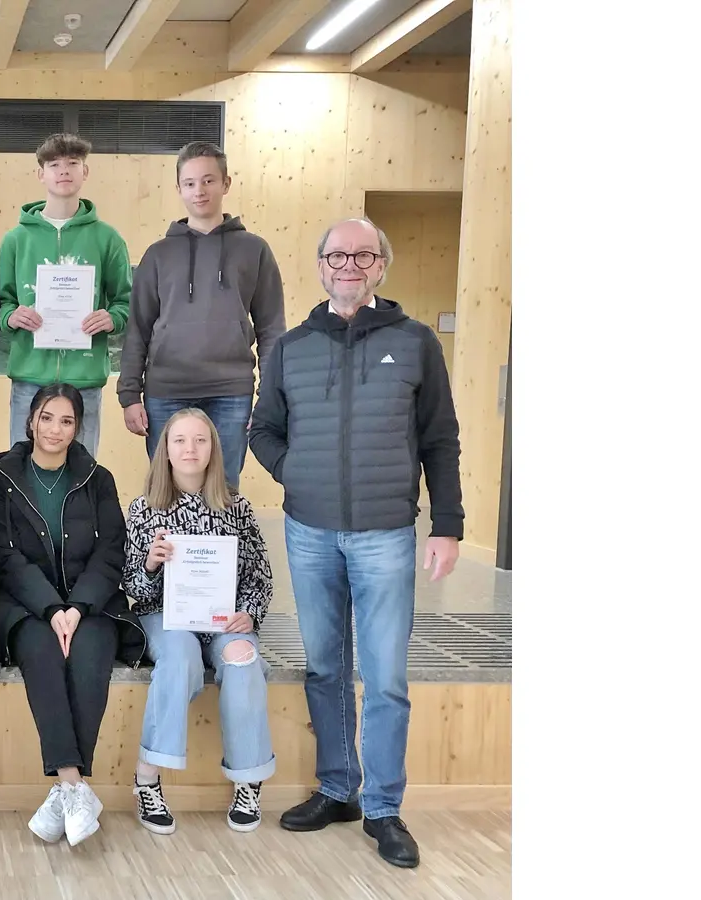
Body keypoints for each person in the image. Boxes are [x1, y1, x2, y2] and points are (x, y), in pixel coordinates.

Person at [248, 217, 463, 870]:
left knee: (387, 677)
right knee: (325, 666)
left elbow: (440, 439)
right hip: (309, 532)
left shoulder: (416, 341)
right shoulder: (289, 346)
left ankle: (384, 808)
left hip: (387, 535)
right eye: (336, 254)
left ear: (380, 266)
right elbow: (263, 429)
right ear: (320, 266)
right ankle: (337, 788)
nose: (348, 264)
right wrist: (297, 473)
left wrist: (448, 524)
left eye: (362, 254)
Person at [0, 383, 146, 847]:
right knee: (42, 658)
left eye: (67, 421)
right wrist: (51, 608)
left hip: (91, 603)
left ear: (78, 428)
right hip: (27, 603)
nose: (56, 429)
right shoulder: (1, 475)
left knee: (90, 659)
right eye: (48, 417)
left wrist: (77, 608)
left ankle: (65, 792)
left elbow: (111, 552)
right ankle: (74, 783)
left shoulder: (98, 477)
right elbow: (4, 555)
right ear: (31, 419)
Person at [123, 408, 276, 837]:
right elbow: (134, 588)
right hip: (166, 617)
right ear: (165, 451)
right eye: (179, 441)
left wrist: (250, 611)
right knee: (179, 659)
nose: (190, 449)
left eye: (200, 440)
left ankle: (249, 778)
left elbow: (260, 575)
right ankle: (148, 778)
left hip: (224, 619)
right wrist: (151, 564)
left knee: (243, 660)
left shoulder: (237, 507)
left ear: (213, 449)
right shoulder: (143, 509)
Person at [118, 141, 286, 489]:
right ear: (179, 188)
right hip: (166, 392)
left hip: (231, 392)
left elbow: (271, 329)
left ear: (226, 184)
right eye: (190, 183)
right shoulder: (158, 254)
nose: (200, 191)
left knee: (222, 490)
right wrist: (130, 395)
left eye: (209, 181)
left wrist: (270, 395)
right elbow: (138, 329)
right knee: (169, 490)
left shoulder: (254, 249)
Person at [0, 133, 132, 455]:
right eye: (54, 164)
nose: (64, 170)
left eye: (73, 163)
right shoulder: (16, 240)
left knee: (81, 477)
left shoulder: (108, 239)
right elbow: (1, 303)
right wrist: (11, 315)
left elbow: (126, 303)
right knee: (21, 473)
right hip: (29, 378)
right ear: (40, 173)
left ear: (85, 172)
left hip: (84, 380)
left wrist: (111, 318)